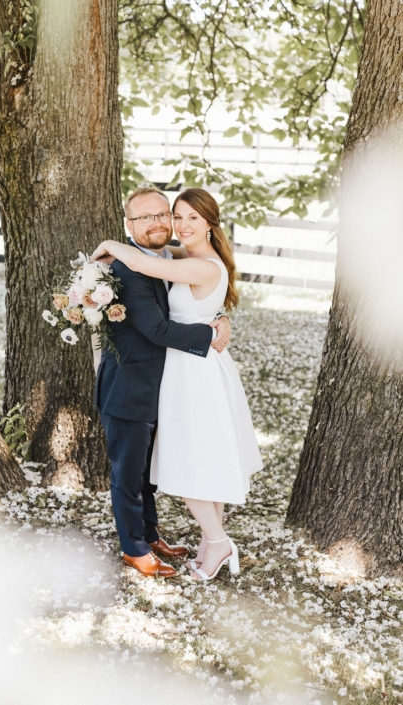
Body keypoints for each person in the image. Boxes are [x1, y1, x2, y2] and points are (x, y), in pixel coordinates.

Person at [92, 188, 263, 581]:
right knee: (133, 474)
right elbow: (156, 327)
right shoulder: (135, 266)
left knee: (176, 464)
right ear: (129, 224)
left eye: (171, 216)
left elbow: (196, 290)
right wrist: (213, 327)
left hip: (189, 376)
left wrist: (218, 320)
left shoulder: (180, 261)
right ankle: (137, 547)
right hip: (135, 384)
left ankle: (199, 541)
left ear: (208, 224)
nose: (171, 224)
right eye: (176, 216)